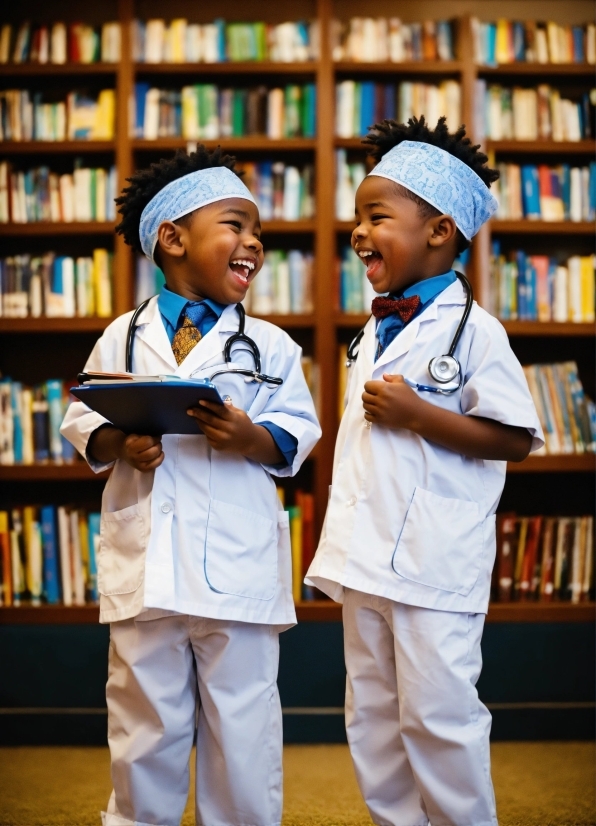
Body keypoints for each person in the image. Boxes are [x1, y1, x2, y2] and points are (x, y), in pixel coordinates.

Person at [61, 146, 321, 826]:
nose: (254, 243)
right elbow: (82, 416)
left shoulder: (269, 345)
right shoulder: (122, 336)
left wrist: (249, 438)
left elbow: (299, 429)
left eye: (257, 232)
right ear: (173, 239)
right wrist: (121, 441)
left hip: (237, 574)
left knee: (243, 729)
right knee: (144, 728)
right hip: (146, 567)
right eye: (235, 225)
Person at [306, 117, 544, 826]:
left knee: (439, 715)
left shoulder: (477, 331)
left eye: (376, 216)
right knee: (373, 719)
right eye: (357, 217)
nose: (357, 232)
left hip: (434, 565)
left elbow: (515, 438)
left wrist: (420, 416)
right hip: (365, 559)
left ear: (439, 231)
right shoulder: (371, 331)